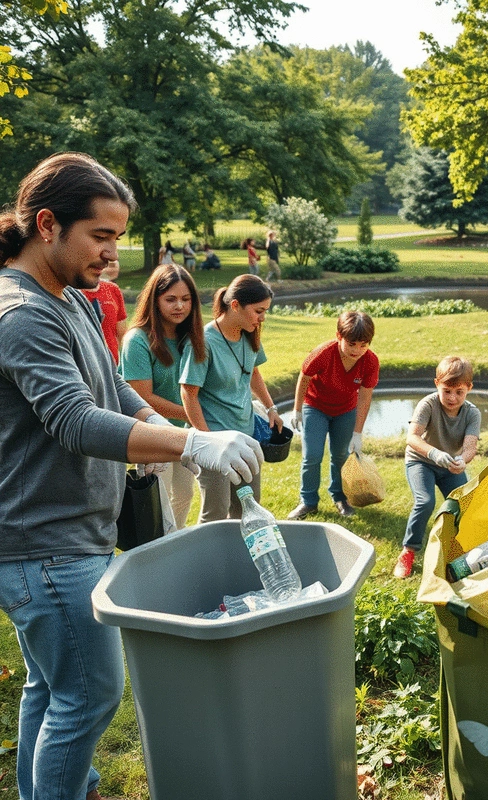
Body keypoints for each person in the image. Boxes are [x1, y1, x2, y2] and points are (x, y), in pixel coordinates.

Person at [0, 152, 262, 800]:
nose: (111, 252)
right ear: (47, 224)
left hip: (71, 536)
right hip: (46, 545)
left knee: (53, 688)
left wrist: (174, 439)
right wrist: (190, 441)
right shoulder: (21, 312)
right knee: (89, 698)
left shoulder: (74, 299)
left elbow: (110, 388)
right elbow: (74, 420)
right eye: (102, 235)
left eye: (117, 237)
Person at [180, 274, 282, 522]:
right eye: (258, 311)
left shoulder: (248, 333)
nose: (262, 318)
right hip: (214, 440)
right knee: (215, 513)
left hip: (246, 439)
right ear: (235, 305)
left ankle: (238, 558)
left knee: (248, 508)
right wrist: (207, 441)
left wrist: (271, 408)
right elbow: (188, 393)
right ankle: (208, 561)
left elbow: (253, 372)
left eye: (265, 311)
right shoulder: (203, 341)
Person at [120, 264, 206, 528]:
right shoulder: (137, 340)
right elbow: (141, 398)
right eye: (170, 299)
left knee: (183, 497)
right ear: (154, 301)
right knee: (157, 508)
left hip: (185, 434)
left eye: (185, 299)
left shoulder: (191, 338)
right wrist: (192, 415)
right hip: (151, 435)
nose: (179, 306)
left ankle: (176, 549)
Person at [393, 356, 481, 579]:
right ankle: (408, 551)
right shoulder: (428, 404)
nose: (452, 398)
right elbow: (412, 438)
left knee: (464, 504)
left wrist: (462, 460)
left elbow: (470, 447)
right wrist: (434, 453)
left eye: (459, 392)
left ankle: (460, 552)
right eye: (447, 391)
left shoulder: (473, 413)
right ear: (437, 385)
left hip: (449, 465)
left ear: (468, 388)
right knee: (425, 501)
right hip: (421, 461)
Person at [287, 311, 379, 520]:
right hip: (315, 407)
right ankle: (308, 502)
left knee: (340, 456)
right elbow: (305, 377)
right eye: (352, 344)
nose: (357, 350)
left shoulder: (371, 361)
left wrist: (358, 433)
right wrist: (297, 409)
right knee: (312, 456)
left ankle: (340, 497)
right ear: (339, 336)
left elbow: (365, 398)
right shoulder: (324, 353)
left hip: (345, 410)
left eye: (363, 345)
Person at [80, 259, 127, 364]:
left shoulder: (113, 290)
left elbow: (122, 334)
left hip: (113, 365)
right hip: (85, 365)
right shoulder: (71, 293)